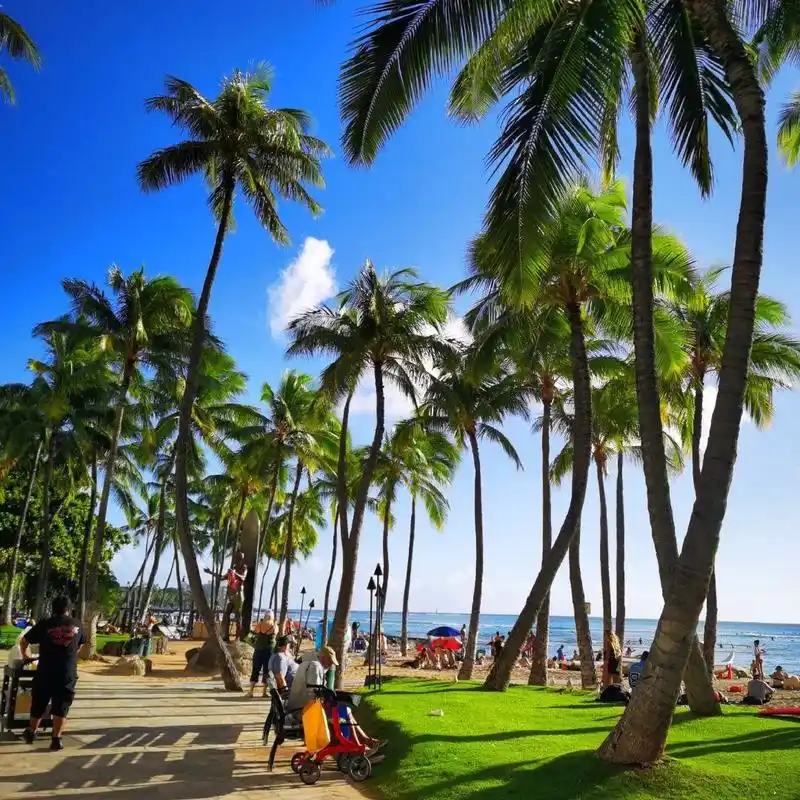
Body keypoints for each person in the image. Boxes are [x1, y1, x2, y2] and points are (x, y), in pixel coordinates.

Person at [20, 596, 85, 751]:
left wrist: (25, 656)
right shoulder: (78, 625)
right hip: (67, 672)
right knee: (61, 706)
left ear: (53, 608)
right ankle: (56, 739)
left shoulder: (44, 624)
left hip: (46, 671)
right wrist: (70, 655)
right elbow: (80, 644)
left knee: (39, 703)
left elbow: (24, 640)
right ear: (69, 609)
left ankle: (32, 732)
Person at [204, 551, 247, 641]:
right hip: (231, 597)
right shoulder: (233, 570)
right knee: (226, 615)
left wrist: (234, 573)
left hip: (238, 596)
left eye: (239, 559)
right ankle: (226, 636)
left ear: (241, 560)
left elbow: (243, 578)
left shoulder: (244, 568)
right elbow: (221, 577)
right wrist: (210, 572)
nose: (236, 560)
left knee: (238, 617)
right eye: (236, 558)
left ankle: (238, 638)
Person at [248, 611, 277, 697]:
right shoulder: (274, 626)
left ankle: (251, 691)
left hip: (258, 650)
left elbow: (254, 633)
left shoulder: (259, 624)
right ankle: (264, 692)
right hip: (269, 651)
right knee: (267, 671)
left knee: (255, 669)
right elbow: (276, 634)